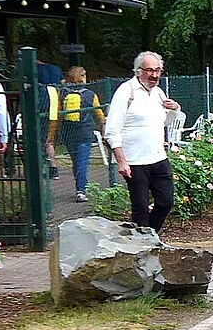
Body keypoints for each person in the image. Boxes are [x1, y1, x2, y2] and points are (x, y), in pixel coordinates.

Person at [105, 50, 182, 231]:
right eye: (149, 70)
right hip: (134, 162)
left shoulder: (158, 93)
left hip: (158, 158)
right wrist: (121, 161)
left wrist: (175, 109)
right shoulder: (126, 91)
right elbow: (112, 130)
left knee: (165, 202)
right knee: (140, 209)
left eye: (157, 70)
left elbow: (163, 121)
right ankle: (143, 248)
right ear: (138, 71)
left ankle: (149, 238)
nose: (154, 75)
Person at [54, 66, 105, 201]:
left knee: (76, 161)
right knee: (82, 162)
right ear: (82, 76)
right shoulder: (90, 95)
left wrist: (52, 134)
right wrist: (103, 128)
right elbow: (99, 115)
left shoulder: (63, 94)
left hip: (68, 132)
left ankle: (81, 187)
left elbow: (57, 116)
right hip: (85, 132)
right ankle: (81, 190)